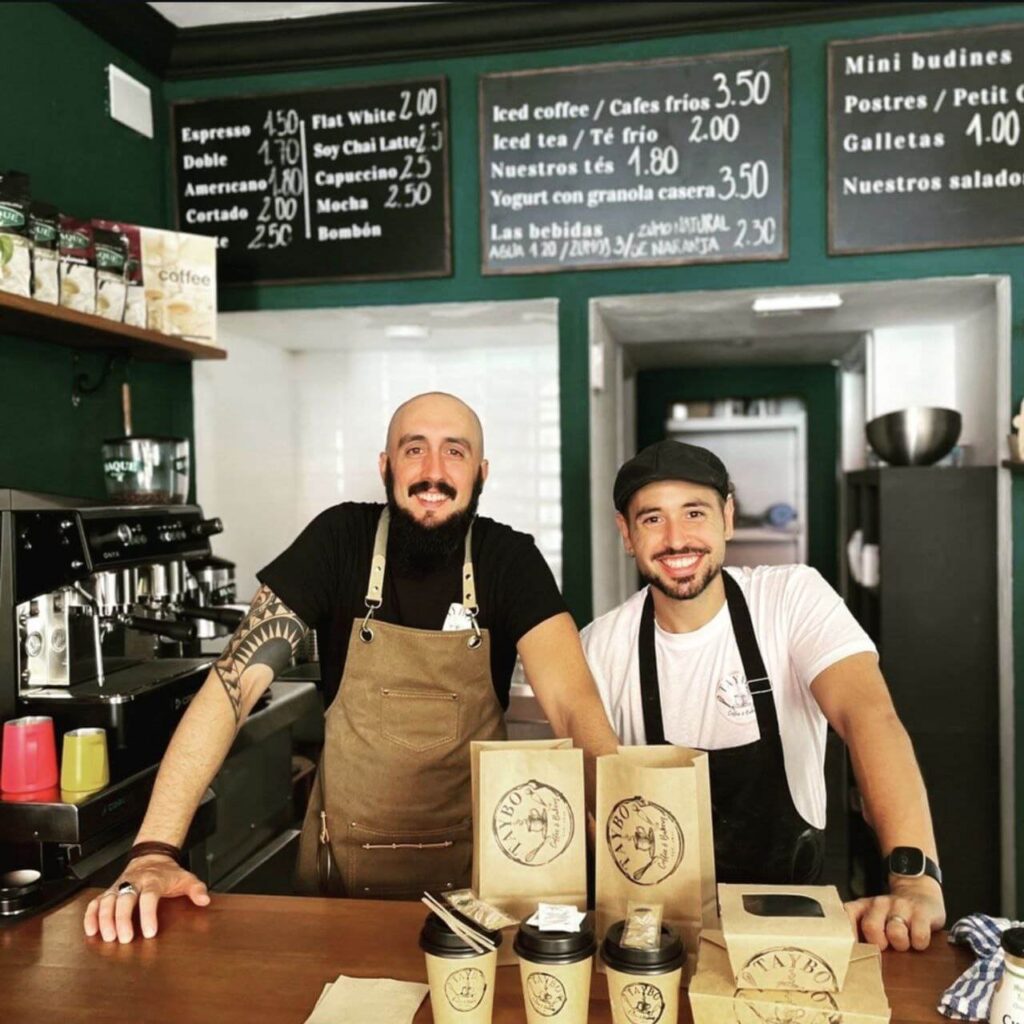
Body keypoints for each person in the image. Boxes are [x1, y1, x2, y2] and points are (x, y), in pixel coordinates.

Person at [85, 392, 619, 943]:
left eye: (454, 452)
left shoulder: (509, 559)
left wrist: (617, 828)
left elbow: (572, 703)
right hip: (342, 879)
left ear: (481, 472)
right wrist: (153, 851)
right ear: (385, 465)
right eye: (415, 449)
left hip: (477, 885)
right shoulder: (338, 542)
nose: (432, 472)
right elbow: (231, 686)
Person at [581, 439, 946, 953]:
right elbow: (597, 808)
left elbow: (870, 718)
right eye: (651, 519)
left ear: (727, 516)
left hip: (796, 929)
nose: (676, 538)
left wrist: (913, 878)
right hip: (659, 939)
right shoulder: (600, 646)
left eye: (694, 512)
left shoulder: (792, 598)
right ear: (625, 533)